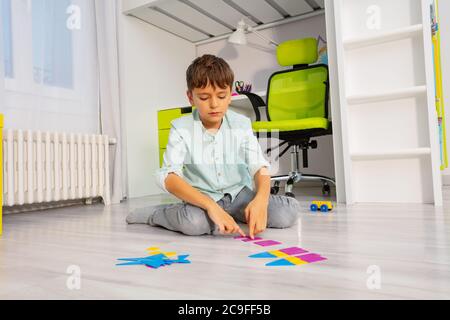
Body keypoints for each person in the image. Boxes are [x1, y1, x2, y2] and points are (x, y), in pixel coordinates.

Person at [126, 54, 300, 238]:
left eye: (221, 96)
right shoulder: (180, 127)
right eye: (204, 97)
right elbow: (168, 176)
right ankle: (158, 214)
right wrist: (210, 207)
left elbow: (260, 166)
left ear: (230, 95)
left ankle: (232, 215)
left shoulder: (241, 123)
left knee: (286, 213)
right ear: (191, 98)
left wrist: (261, 200)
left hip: (239, 195)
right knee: (193, 224)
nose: (214, 104)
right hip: (202, 198)